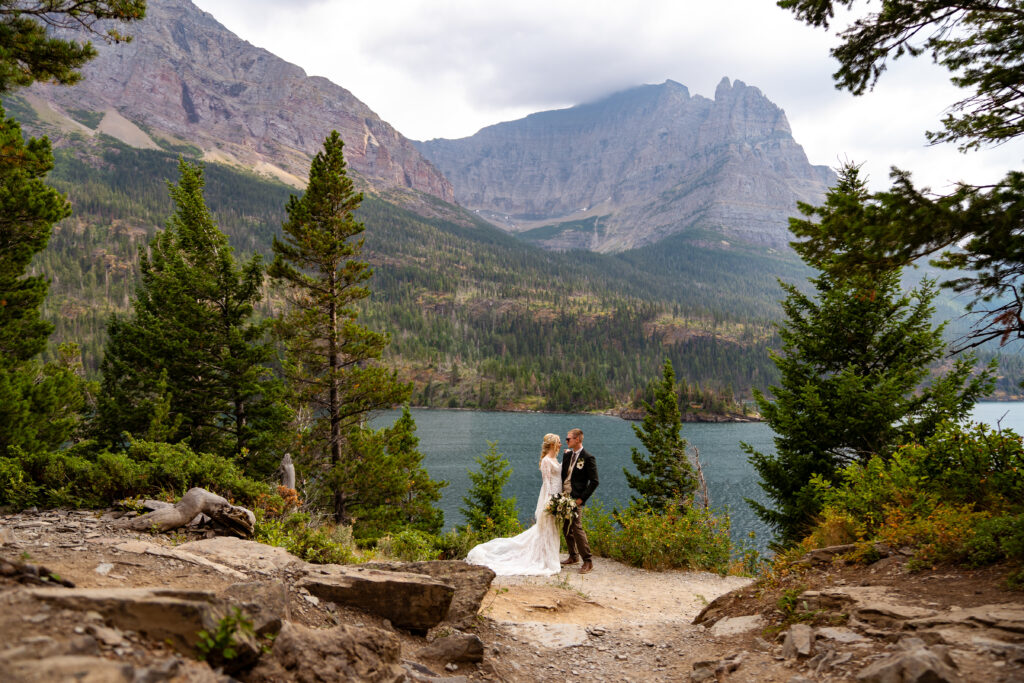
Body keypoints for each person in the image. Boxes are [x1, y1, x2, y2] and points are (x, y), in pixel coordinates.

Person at [465, 433, 563, 576]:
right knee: (546, 529)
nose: (561, 444)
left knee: (552, 529)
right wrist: (550, 502)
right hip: (550, 498)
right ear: (553, 444)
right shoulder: (547, 461)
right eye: (559, 442)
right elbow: (546, 483)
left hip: (557, 496)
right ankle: (543, 558)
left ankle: (549, 557)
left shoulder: (554, 458)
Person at [561, 427, 599, 574]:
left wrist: (581, 499)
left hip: (576, 498)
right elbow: (563, 475)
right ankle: (573, 556)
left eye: (568, 438)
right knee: (566, 527)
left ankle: (588, 561)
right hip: (564, 497)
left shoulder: (588, 457)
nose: (566, 441)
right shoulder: (567, 455)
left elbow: (594, 481)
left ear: (577, 439)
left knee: (576, 528)